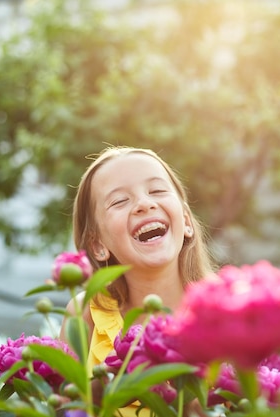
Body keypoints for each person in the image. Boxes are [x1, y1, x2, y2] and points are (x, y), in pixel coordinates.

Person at [59, 146, 216, 415]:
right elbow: (59, 405)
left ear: (186, 221)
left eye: (156, 191)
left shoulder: (226, 312)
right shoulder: (84, 313)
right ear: (97, 245)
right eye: (119, 201)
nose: (145, 203)